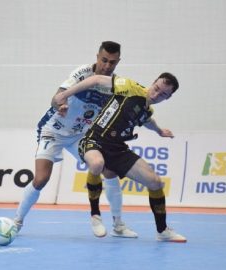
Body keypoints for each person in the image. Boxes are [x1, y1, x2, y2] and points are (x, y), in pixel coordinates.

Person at [14, 41, 137, 238]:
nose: (107, 66)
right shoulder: (82, 73)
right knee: (41, 179)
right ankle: (17, 221)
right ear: (97, 56)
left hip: (81, 135)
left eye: (112, 62)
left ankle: (118, 225)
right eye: (104, 60)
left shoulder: (115, 84)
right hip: (54, 131)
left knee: (109, 170)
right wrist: (59, 104)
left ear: (118, 62)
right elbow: (56, 98)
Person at [53, 72, 187, 242]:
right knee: (97, 163)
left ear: (167, 98)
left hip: (118, 149)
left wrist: (160, 131)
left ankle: (162, 231)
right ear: (153, 83)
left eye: (163, 94)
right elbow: (96, 79)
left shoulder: (147, 109)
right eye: (156, 88)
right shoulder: (130, 87)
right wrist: (64, 94)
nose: (156, 94)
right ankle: (95, 216)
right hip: (94, 139)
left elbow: (148, 121)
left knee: (155, 182)